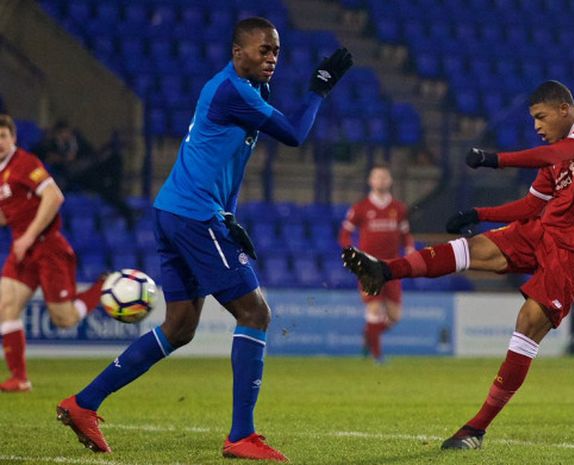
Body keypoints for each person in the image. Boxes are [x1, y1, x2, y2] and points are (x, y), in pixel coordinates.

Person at [56, 17, 352, 461]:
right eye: (263, 50)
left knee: (179, 328)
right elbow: (294, 134)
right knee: (254, 312)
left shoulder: (252, 91)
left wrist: (228, 215)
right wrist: (320, 89)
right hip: (193, 215)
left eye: (276, 51)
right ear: (238, 53)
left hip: (176, 210)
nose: (272, 57)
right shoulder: (233, 90)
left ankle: (83, 403)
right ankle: (241, 435)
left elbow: (225, 161)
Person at [343, 80, 574, 449]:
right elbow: (529, 207)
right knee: (472, 248)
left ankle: (475, 428)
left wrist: (495, 160)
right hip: (544, 231)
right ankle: (384, 270)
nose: (537, 127)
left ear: (563, 110)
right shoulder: (555, 152)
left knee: (527, 323)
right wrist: (479, 213)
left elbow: (556, 156)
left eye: (540, 118)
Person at [0, 114, 105, 392]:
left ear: (14, 138)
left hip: (47, 247)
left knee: (65, 319)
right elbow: (6, 215)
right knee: (5, 307)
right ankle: (19, 379)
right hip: (22, 249)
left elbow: (54, 196)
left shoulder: (25, 163)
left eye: (3, 136)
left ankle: (103, 288)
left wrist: (29, 236)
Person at [338, 163, 414, 362]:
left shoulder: (399, 208)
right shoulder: (360, 208)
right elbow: (345, 234)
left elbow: (406, 234)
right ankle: (376, 356)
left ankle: (368, 336)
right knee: (374, 309)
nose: (380, 180)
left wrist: (409, 249)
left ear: (390, 181)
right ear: (370, 181)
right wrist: (351, 252)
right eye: (376, 177)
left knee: (395, 317)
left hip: (392, 267)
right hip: (369, 267)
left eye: (384, 177)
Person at [34, 121, 134, 227]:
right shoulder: (50, 145)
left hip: (90, 170)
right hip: (75, 177)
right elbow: (39, 156)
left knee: (115, 159)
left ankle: (116, 191)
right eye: (62, 133)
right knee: (103, 188)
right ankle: (127, 213)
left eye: (67, 132)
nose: (66, 136)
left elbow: (91, 155)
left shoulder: (78, 142)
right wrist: (59, 159)